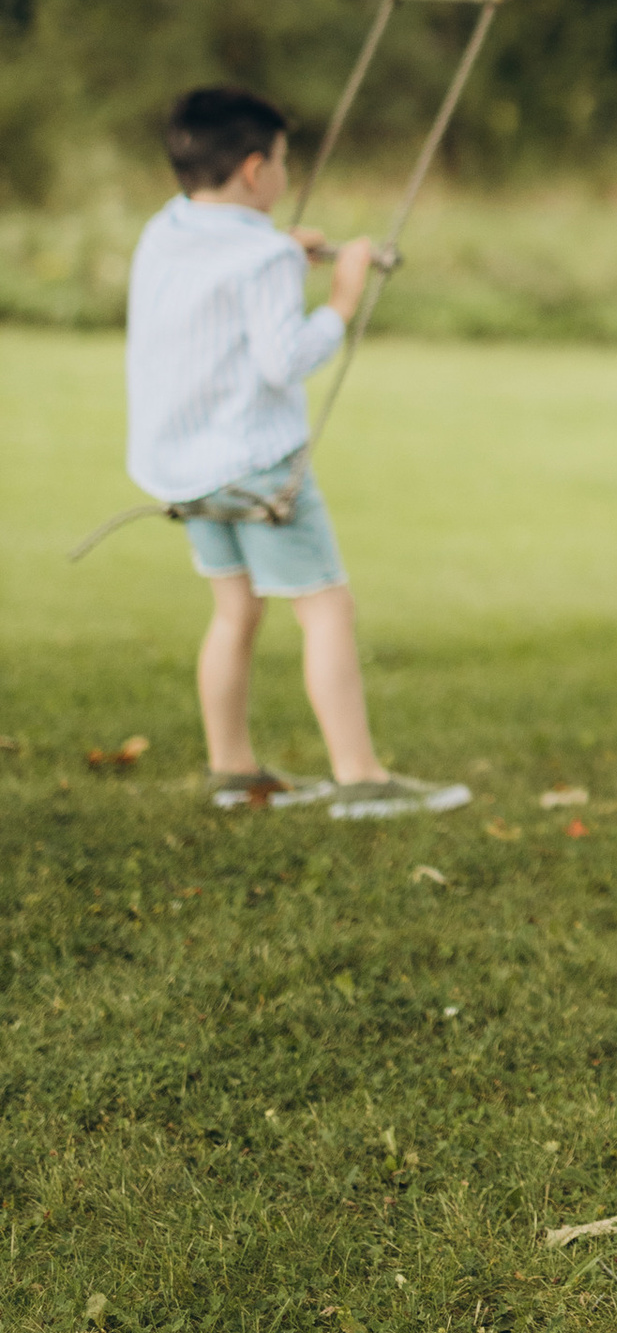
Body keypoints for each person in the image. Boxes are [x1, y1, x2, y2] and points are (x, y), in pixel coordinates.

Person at [125, 84, 467, 822]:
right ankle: (359, 777)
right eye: (282, 161)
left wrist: (282, 252)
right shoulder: (264, 259)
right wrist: (339, 301)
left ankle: (232, 768)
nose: (285, 174)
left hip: (181, 465)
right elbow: (284, 359)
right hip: (255, 463)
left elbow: (221, 292)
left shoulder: (167, 230)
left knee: (234, 610)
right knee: (326, 609)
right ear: (256, 171)